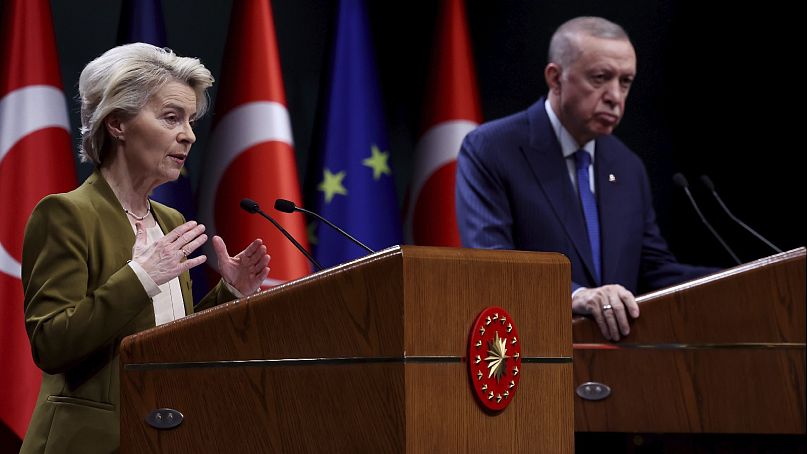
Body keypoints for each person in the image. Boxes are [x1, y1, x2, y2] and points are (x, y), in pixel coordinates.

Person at [19, 43, 271, 453]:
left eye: (190, 120)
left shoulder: (169, 221)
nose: (188, 135)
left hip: (163, 435)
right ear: (117, 123)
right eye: (172, 117)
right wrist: (141, 277)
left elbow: (168, 342)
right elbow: (51, 343)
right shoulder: (66, 214)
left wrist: (232, 292)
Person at [456, 17, 715, 342]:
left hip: (618, 365)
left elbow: (653, 270)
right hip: (534, 359)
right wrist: (576, 296)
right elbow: (492, 265)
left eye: (625, 82)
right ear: (555, 78)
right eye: (600, 78)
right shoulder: (492, 149)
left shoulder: (627, 166)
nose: (615, 96)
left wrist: (747, 279)